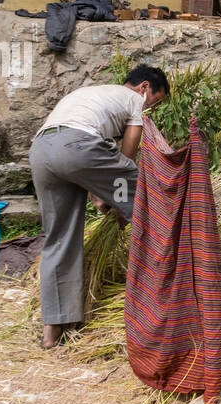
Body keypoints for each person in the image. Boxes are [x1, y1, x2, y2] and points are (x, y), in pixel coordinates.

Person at [29, 66, 169, 349]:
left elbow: (87, 167)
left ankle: (51, 334)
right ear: (144, 88)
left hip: (41, 152)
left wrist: (103, 194)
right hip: (78, 147)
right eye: (156, 100)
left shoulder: (90, 93)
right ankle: (169, 285)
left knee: (60, 240)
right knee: (154, 201)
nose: (152, 108)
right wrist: (119, 201)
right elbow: (127, 158)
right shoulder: (133, 100)